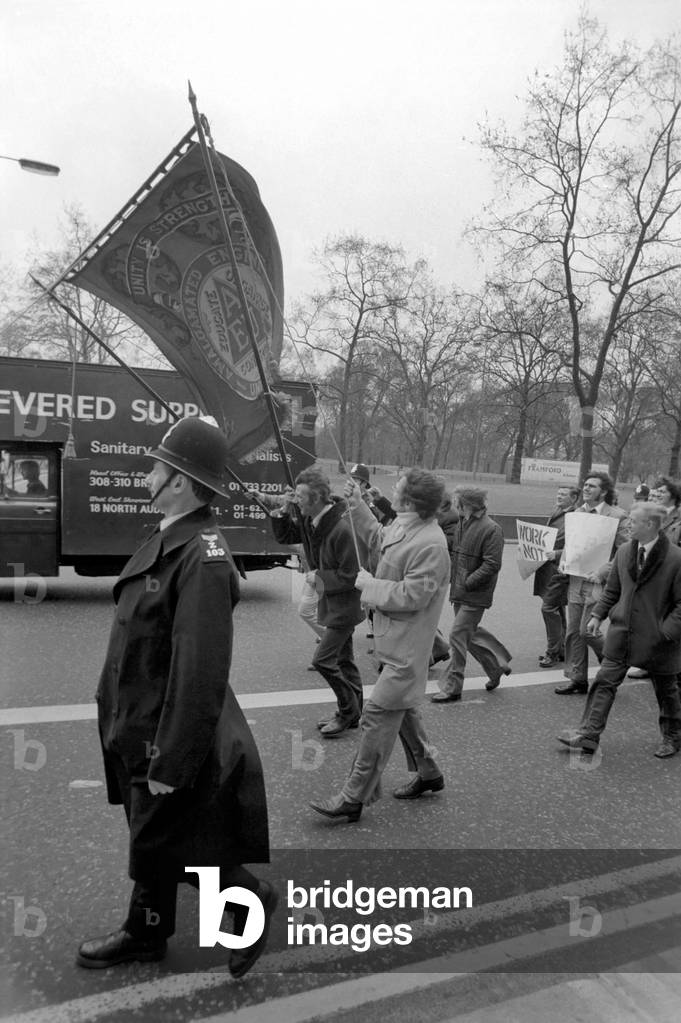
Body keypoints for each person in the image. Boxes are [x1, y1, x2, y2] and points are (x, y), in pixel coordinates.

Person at [77, 417, 275, 979]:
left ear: (181, 482)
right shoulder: (173, 534)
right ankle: (147, 932)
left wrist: (174, 757)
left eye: (158, 467)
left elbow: (201, 670)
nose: (149, 473)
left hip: (162, 729)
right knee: (153, 835)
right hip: (137, 719)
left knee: (174, 840)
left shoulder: (202, 556)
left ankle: (249, 902)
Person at [309, 468, 450, 823]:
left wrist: (369, 586)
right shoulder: (408, 527)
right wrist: (357, 505)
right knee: (403, 713)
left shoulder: (431, 543)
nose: (391, 491)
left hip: (408, 649)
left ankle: (354, 796)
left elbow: (414, 595)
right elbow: (377, 538)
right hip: (392, 642)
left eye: (397, 489)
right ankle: (429, 772)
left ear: (409, 501)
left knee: (376, 715)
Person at [557, 502, 681, 757]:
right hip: (622, 633)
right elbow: (613, 589)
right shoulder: (625, 551)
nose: (628, 525)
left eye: (633, 521)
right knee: (604, 682)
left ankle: (672, 736)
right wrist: (597, 615)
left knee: (666, 690)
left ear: (649, 525)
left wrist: (666, 633)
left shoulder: (676, 558)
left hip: (659, 640)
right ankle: (589, 735)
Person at [270, 467, 364, 737]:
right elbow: (286, 536)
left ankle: (348, 713)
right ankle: (353, 712)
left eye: (300, 497)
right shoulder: (314, 520)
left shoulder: (340, 529)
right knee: (345, 661)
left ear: (318, 498)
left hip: (344, 607)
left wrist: (317, 577)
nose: (296, 500)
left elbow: (351, 575)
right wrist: (284, 509)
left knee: (323, 661)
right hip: (332, 602)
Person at [431, 486, 511, 703]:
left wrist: (467, 582)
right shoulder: (463, 523)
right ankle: (495, 668)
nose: (455, 505)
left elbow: (493, 564)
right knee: (469, 634)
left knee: (457, 635)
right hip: (460, 590)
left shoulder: (491, 529)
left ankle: (453, 687)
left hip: (475, 594)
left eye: (459, 501)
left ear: (469, 504)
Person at [555, 472, 629, 696]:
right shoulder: (578, 513)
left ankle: (612, 662)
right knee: (573, 632)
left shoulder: (618, 516)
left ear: (604, 491)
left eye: (592, 486)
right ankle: (577, 679)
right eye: (585, 485)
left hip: (600, 582)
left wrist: (604, 570)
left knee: (587, 631)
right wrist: (564, 561)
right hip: (576, 579)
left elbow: (627, 551)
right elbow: (573, 545)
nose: (586, 489)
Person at [534, 486, 581, 667]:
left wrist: (558, 554)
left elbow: (578, 546)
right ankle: (562, 649)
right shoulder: (557, 511)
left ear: (574, 498)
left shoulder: (576, 517)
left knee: (548, 608)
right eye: (558, 494)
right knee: (557, 608)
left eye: (563, 494)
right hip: (549, 568)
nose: (559, 497)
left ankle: (552, 652)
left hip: (560, 569)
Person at [649, 477, 681, 548]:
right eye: (658, 491)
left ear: (673, 495)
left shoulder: (679, 517)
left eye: (662, 492)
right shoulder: (651, 513)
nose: (657, 495)